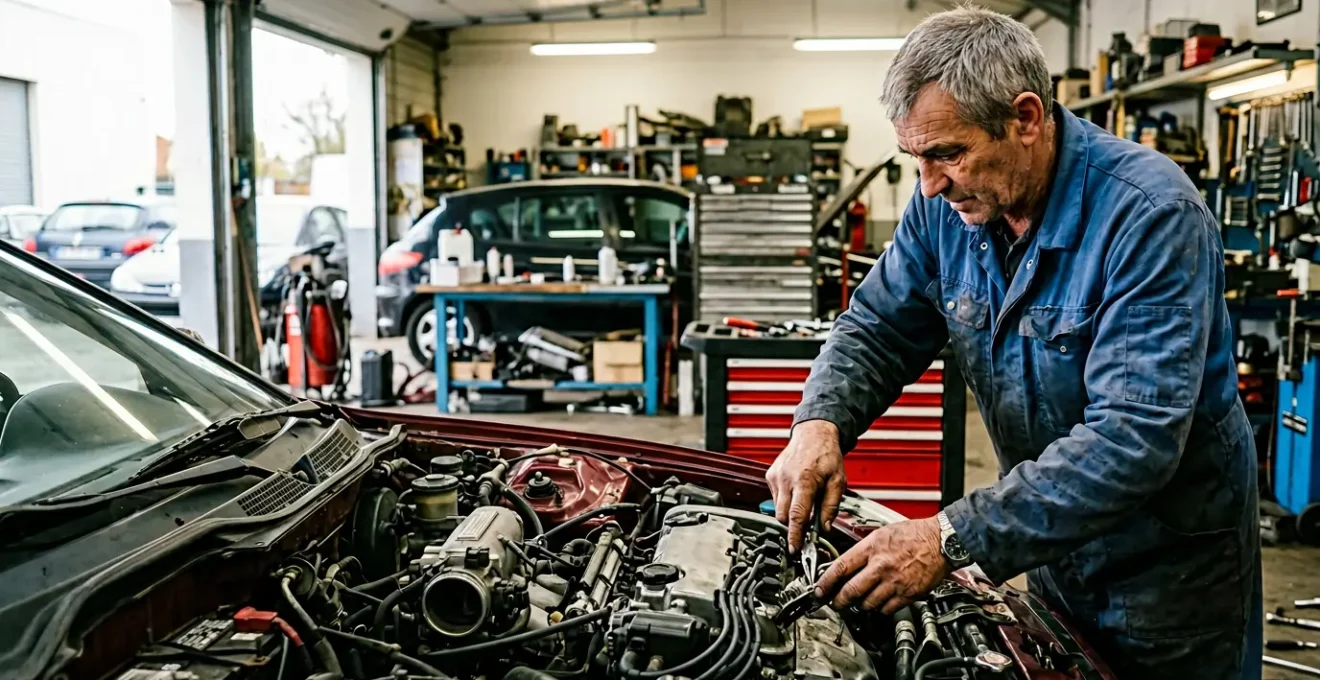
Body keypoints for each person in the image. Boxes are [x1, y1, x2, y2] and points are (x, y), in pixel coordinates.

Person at [765, 7, 1261, 678]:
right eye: (916, 158)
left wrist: (948, 538)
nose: (930, 184)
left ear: (1026, 118)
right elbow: (880, 324)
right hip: (1050, 549)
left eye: (948, 154)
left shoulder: (1150, 216)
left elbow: (1132, 438)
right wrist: (818, 421)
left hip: (1168, 580)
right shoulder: (946, 207)